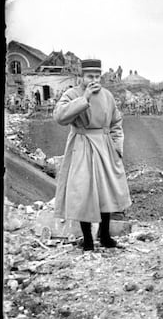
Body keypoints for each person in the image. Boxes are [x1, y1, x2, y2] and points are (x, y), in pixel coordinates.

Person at [53, 59, 131, 251]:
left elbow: (116, 122)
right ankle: (87, 240)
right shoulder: (72, 94)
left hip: (105, 147)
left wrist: (117, 147)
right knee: (83, 193)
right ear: (82, 77)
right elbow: (60, 116)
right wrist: (84, 99)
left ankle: (104, 236)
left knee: (106, 193)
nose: (94, 80)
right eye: (90, 77)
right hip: (82, 145)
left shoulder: (107, 96)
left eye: (97, 76)